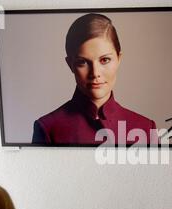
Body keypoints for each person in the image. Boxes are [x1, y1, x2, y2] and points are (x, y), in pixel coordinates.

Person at [32, 13, 158, 145]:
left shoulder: (146, 128)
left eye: (105, 60)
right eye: (82, 62)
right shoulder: (48, 128)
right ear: (70, 64)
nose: (95, 73)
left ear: (119, 59)